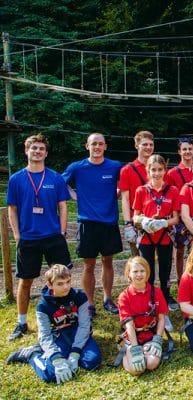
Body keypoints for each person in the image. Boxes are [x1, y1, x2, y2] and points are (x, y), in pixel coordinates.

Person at [6, 133, 72, 340]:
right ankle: (22, 322)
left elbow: (63, 206)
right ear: (26, 151)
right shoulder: (16, 179)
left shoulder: (55, 178)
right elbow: (12, 209)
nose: (37, 152)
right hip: (28, 238)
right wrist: (17, 235)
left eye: (41, 149)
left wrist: (61, 232)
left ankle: (66, 317)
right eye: (33, 148)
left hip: (53, 236)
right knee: (25, 281)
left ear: (46, 153)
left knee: (63, 278)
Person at [6, 264, 101, 383]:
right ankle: (31, 354)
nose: (66, 286)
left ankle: (67, 352)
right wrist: (56, 358)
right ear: (50, 285)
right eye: (60, 284)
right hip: (58, 336)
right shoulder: (43, 306)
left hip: (78, 333)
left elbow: (84, 325)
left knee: (92, 362)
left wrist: (75, 352)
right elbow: (45, 335)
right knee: (50, 374)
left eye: (68, 281)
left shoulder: (80, 296)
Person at [62, 133, 122, 316]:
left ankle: (107, 298)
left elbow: (126, 183)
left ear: (105, 146)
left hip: (109, 222)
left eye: (100, 144)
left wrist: (117, 193)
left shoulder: (114, 166)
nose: (97, 147)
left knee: (108, 262)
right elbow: (59, 183)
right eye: (93, 144)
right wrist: (74, 196)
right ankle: (89, 304)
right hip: (87, 223)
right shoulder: (77, 167)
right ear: (87, 146)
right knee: (88, 265)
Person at [132, 155, 180, 311]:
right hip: (147, 237)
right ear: (148, 171)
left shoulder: (172, 190)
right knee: (148, 273)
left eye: (160, 170)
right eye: (153, 170)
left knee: (165, 273)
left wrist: (164, 223)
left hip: (165, 237)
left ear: (165, 170)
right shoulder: (141, 190)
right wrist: (144, 221)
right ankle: (149, 302)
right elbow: (135, 216)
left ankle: (165, 303)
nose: (157, 173)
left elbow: (176, 218)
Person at [117, 256, 168, 375]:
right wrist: (135, 349)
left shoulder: (157, 292)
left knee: (151, 364)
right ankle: (127, 351)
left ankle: (146, 350)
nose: (139, 274)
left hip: (150, 334)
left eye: (142, 271)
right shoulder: (124, 296)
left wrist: (157, 340)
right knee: (136, 370)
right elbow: (129, 325)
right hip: (133, 336)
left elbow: (161, 318)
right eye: (135, 271)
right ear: (128, 274)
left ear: (148, 273)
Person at [119, 130, 155, 256]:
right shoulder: (127, 170)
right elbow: (125, 199)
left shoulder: (158, 169)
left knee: (157, 260)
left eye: (151, 144)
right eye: (145, 144)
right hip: (136, 221)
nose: (148, 147)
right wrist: (128, 224)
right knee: (137, 261)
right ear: (136, 146)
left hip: (155, 221)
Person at [165, 137, 193, 282]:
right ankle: (180, 279)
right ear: (179, 151)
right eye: (184, 149)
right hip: (180, 218)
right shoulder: (172, 173)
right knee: (179, 251)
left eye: (190, 149)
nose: (187, 152)